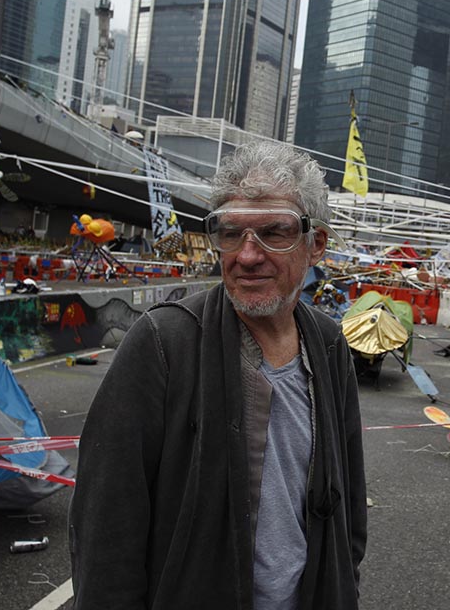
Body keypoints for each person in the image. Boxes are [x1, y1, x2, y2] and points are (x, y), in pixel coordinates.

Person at [70, 142, 367, 609]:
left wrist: (343, 581)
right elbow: (107, 529)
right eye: (231, 233)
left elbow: (348, 496)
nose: (248, 256)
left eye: (274, 232)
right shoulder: (163, 343)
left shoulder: (328, 344)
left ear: (316, 244)